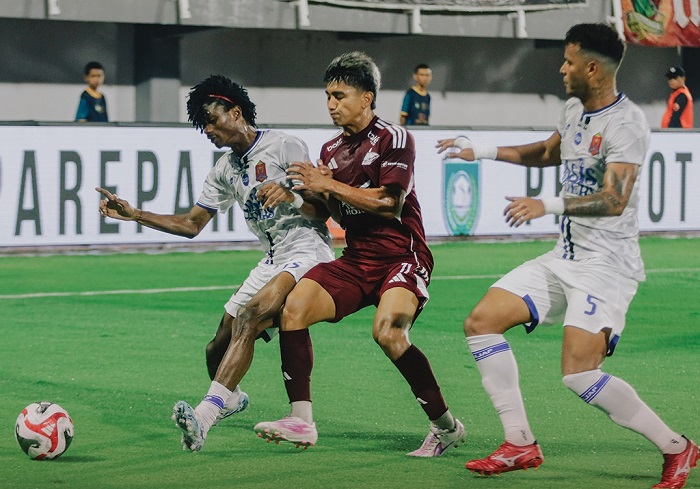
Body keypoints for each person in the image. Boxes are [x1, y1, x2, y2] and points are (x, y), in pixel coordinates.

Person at [436, 23, 698, 488]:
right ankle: (519, 443)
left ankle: (676, 447)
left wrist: (548, 205)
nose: (561, 69)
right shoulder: (574, 109)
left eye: (569, 61)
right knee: (481, 322)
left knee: (579, 375)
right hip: (566, 256)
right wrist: (482, 150)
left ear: (592, 68)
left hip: (607, 267)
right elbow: (547, 151)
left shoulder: (626, 123)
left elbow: (614, 198)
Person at [96, 74, 335, 452]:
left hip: (307, 250)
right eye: (202, 124)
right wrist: (136, 214)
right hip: (272, 259)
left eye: (211, 120)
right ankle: (232, 398)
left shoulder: (283, 145)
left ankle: (204, 417)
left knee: (251, 315)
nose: (207, 130)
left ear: (235, 112)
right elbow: (192, 225)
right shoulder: (225, 169)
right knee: (215, 348)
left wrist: (291, 196)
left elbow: (322, 211)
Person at [253, 51, 465, 457]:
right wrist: (299, 195)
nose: (331, 104)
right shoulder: (331, 149)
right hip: (357, 259)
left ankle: (446, 427)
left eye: (340, 96)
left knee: (388, 332)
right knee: (293, 308)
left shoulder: (394, 138)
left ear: (367, 98)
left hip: (402, 256)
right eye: (327, 96)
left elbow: (389, 203)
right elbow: (330, 212)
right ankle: (301, 421)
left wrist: (329, 186)